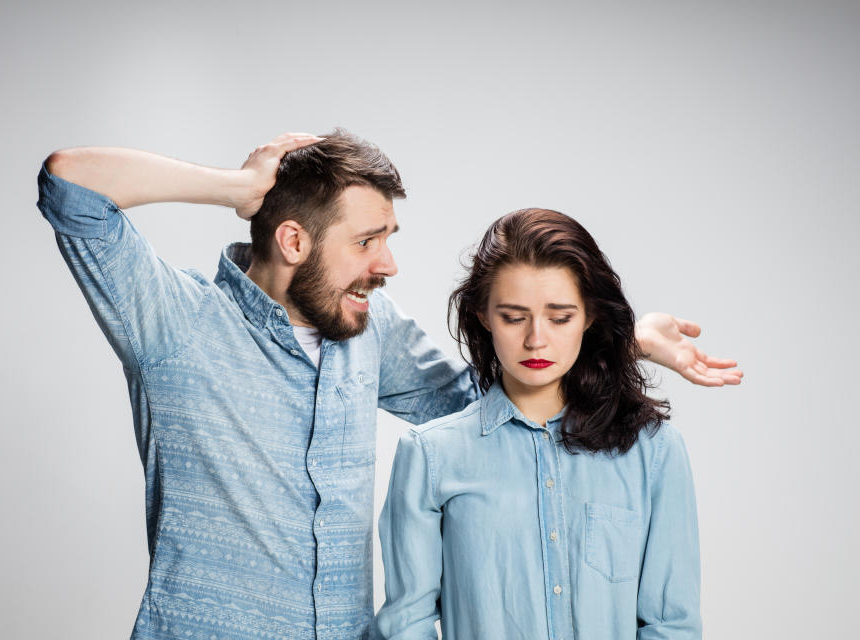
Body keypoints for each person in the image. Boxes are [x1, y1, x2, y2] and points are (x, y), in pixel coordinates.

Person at [37, 132, 738, 640]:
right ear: (292, 242)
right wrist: (238, 189)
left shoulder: (368, 333)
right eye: (368, 241)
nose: (390, 264)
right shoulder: (175, 323)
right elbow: (72, 184)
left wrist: (620, 340)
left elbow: (497, 403)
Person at [375, 208, 705, 640]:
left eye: (560, 317)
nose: (535, 339)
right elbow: (406, 627)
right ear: (482, 315)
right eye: (514, 317)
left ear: (589, 316)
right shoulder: (431, 455)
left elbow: (672, 626)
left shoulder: (654, 451)